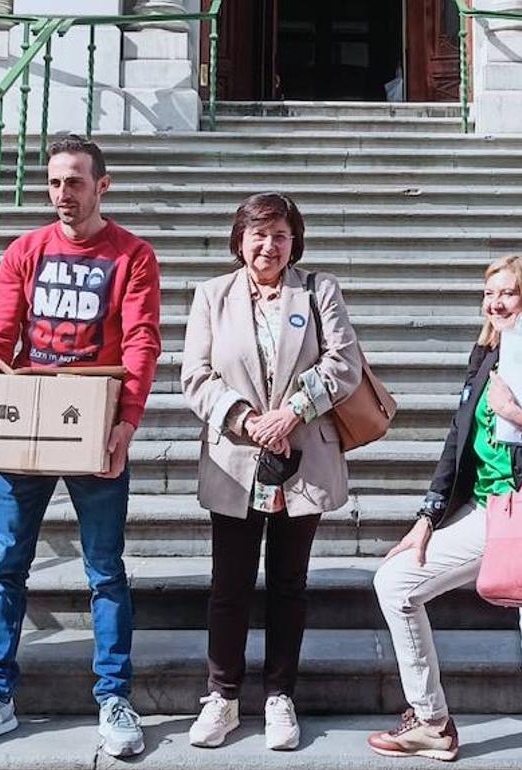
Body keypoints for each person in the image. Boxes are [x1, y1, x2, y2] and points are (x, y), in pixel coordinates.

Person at [0, 136, 161, 757]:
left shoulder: (132, 255)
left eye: (74, 182)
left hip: (93, 423)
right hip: (24, 423)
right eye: (54, 183)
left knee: (104, 570)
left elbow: (142, 341)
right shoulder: (26, 250)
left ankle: (114, 697)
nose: (63, 195)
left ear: (102, 185)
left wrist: (127, 422)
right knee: (7, 566)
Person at [368, 255, 522, 768]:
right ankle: (432, 721)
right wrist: (428, 517)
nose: (495, 304)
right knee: (395, 583)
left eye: (508, 294)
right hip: (485, 514)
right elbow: (458, 442)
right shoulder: (486, 355)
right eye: (489, 293)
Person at [180, 192, 363, 751]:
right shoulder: (212, 295)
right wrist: (246, 419)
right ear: (240, 239)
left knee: (289, 583)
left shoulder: (318, 290)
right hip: (238, 458)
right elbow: (196, 374)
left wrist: (293, 412)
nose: (269, 245)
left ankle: (280, 694)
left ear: (294, 242)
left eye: (280, 235)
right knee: (229, 585)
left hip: (301, 452)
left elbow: (344, 362)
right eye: (259, 234)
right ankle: (223, 695)